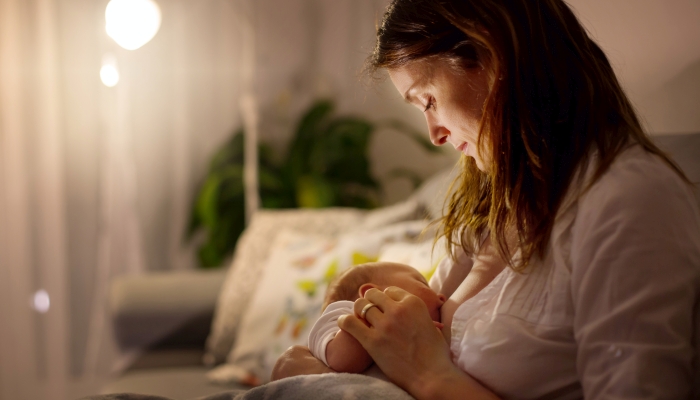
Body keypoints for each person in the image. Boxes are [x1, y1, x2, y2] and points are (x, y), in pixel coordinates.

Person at [272, 1, 700, 399]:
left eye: (429, 100)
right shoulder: (494, 206)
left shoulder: (629, 202)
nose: (434, 134)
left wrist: (430, 376)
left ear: (489, 52)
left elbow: (417, 360)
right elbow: (400, 342)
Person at [308, 262, 446, 375]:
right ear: (373, 294)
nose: (441, 296)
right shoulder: (340, 314)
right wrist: (372, 320)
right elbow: (339, 357)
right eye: (422, 283)